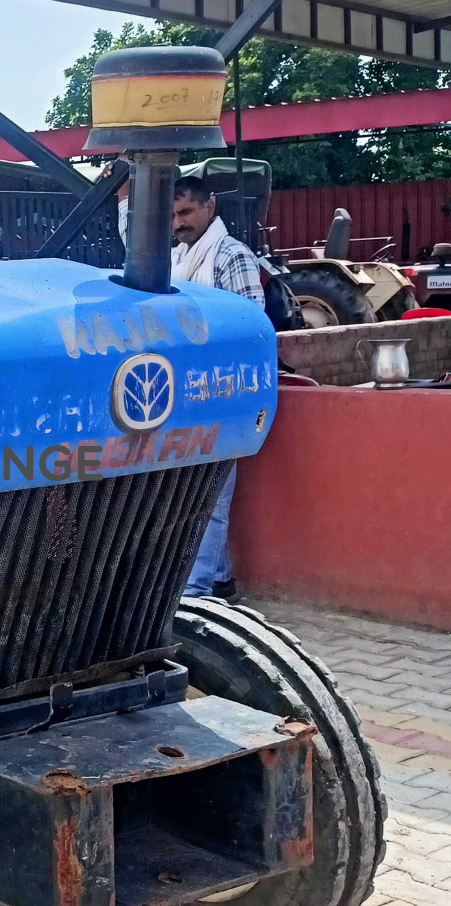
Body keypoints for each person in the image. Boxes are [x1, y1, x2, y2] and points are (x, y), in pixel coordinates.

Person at [170, 174, 266, 599]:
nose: (178, 222)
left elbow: (251, 326)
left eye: (186, 212)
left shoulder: (231, 256)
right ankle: (221, 580)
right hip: (183, 393)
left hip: (223, 392)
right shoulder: (178, 257)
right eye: (172, 214)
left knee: (209, 493)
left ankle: (197, 594)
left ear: (210, 206)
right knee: (194, 495)